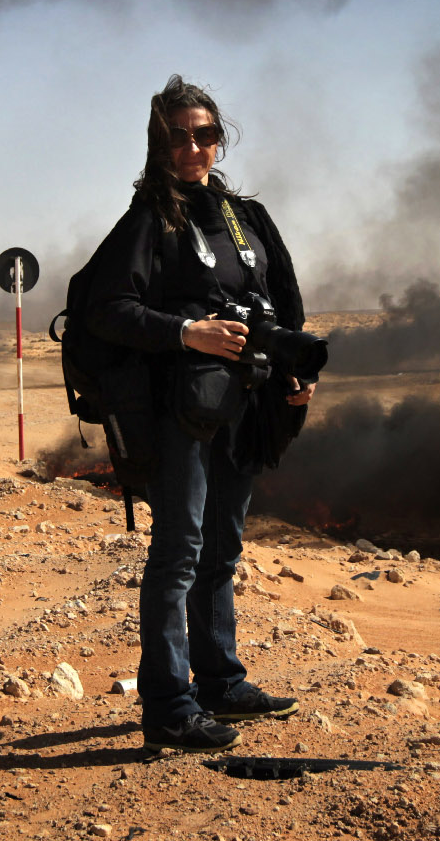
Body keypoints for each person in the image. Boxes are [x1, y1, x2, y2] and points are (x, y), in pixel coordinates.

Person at [88, 74, 317, 753]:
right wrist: (187, 334)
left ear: (221, 140)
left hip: (243, 405)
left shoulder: (245, 217)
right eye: (179, 136)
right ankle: (167, 704)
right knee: (180, 553)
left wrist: (291, 372)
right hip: (178, 413)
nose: (194, 147)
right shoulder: (148, 220)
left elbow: (282, 304)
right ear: (159, 144)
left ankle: (219, 680)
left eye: (205, 135)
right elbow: (106, 309)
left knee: (222, 549)